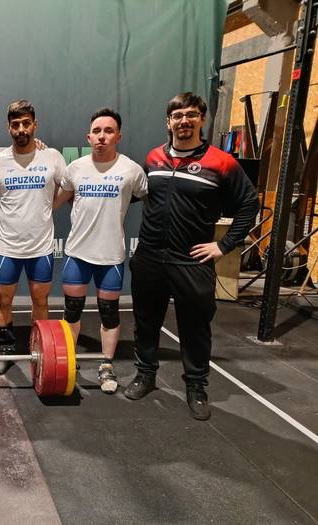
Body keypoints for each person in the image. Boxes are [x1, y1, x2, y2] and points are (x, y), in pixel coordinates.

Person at [124, 92, 258, 420]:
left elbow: (249, 204)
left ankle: (196, 387)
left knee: (195, 328)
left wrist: (224, 246)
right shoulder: (154, 158)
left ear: (202, 119)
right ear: (168, 122)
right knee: (145, 322)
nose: (184, 121)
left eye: (191, 115)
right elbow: (130, 191)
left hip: (191, 260)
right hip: (150, 256)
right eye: (178, 116)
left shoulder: (220, 161)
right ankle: (145, 374)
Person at [54, 108, 147, 394]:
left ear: (118, 136)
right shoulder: (75, 168)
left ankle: (106, 365)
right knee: (72, 312)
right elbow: (58, 200)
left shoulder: (131, 170)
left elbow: (147, 198)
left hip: (111, 256)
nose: (102, 136)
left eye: (108, 131)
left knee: (109, 314)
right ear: (89, 137)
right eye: (97, 131)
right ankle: (70, 361)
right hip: (78, 253)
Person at [0, 99, 66, 374]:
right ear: (9, 127)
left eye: (26, 123)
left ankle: (37, 349)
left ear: (35, 125)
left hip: (41, 248)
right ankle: (6, 350)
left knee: (40, 302)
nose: (21, 129)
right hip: (8, 247)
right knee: (3, 301)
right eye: (15, 124)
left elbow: (68, 188)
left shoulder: (52, 157)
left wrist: (48, 207)